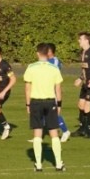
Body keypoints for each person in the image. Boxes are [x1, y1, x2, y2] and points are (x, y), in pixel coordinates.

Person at [24, 43, 65, 172]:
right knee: (54, 132)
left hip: (36, 102)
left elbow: (27, 88)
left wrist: (28, 104)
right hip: (50, 102)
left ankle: (38, 165)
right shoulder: (54, 68)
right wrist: (59, 104)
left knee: (37, 132)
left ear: (37, 53)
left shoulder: (31, 67)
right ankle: (58, 164)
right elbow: (58, 89)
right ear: (48, 53)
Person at [46, 43, 72, 143]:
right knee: (43, 112)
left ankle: (65, 131)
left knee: (53, 113)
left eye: (46, 50)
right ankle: (38, 136)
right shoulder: (46, 61)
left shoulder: (55, 61)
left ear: (50, 51)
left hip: (53, 91)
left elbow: (55, 76)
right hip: (46, 90)